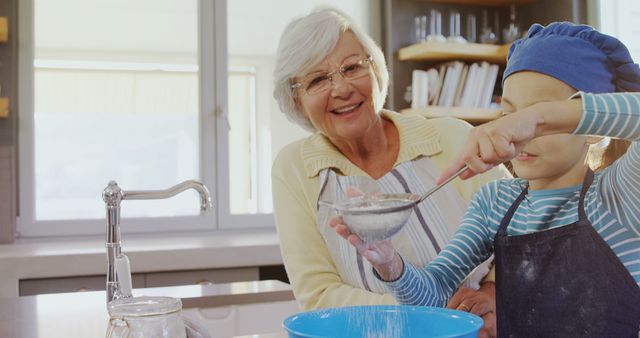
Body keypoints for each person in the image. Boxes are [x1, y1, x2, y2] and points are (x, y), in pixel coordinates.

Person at [332, 22, 640, 337]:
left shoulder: (619, 195)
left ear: (593, 128)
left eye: (537, 117)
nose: (518, 135)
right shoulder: (495, 202)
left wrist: (534, 119)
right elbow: (434, 293)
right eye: (509, 114)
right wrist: (390, 264)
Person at [271, 6, 508, 319]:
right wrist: (430, 313)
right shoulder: (295, 168)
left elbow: (524, 238)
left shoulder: (452, 136)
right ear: (296, 100)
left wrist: (492, 295)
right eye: (317, 81)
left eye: (352, 67)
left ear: (375, 70)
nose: (341, 89)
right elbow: (319, 297)